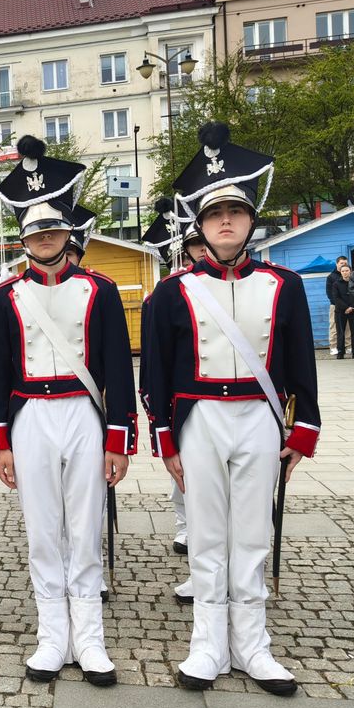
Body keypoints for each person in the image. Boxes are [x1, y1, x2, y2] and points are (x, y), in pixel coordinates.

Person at [147, 122, 320, 696]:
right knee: (203, 532)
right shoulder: (172, 292)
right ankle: (207, 644)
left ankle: (252, 644)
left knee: (251, 533)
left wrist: (304, 430)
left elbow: (301, 363)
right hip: (200, 421)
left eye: (236, 213)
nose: (226, 222)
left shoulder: (283, 284)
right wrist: (165, 438)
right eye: (215, 214)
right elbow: (159, 373)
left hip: (259, 419)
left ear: (250, 221)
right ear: (200, 224)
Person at [0, 135, 136, 687]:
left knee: (85, 525)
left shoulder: (100, 290)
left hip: (82, 415)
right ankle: (53, 636)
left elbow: (120, 370)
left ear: (67, 234)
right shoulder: (6, 296)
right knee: (44, 530)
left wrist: (118, 439)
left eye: (52, 229)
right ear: (25, 237)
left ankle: (90, 638)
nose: (44, 238)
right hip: (30, 420)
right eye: (35, 231)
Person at [140, 205, 207, 604]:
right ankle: (191, 540)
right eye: (194, 246)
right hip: (189, 406)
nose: (200, 251)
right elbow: (155, 356)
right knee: (189, 487)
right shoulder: (164, 294)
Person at [332, 266, 354, 360]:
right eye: (343, 271)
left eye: (347, 270)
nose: (345, 272)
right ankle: (340, 352)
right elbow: (336, 298)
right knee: (340, 332)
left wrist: (352, 307)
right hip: (340, 311)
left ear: (350, 271)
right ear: (340, 272)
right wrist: (346, 307)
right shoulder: (336, 284)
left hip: (353, 310)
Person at [325, 257, 350, 356]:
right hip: (335, 306)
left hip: (348, 306)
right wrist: (337, 304)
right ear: (337, 264)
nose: (343, 265)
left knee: (348, 327)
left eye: (345, 263)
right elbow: (329, 293)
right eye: (341, 263)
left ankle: (348, 346)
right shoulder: (331, 277)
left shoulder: (349, 276)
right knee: (334, 326)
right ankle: (333, 346)